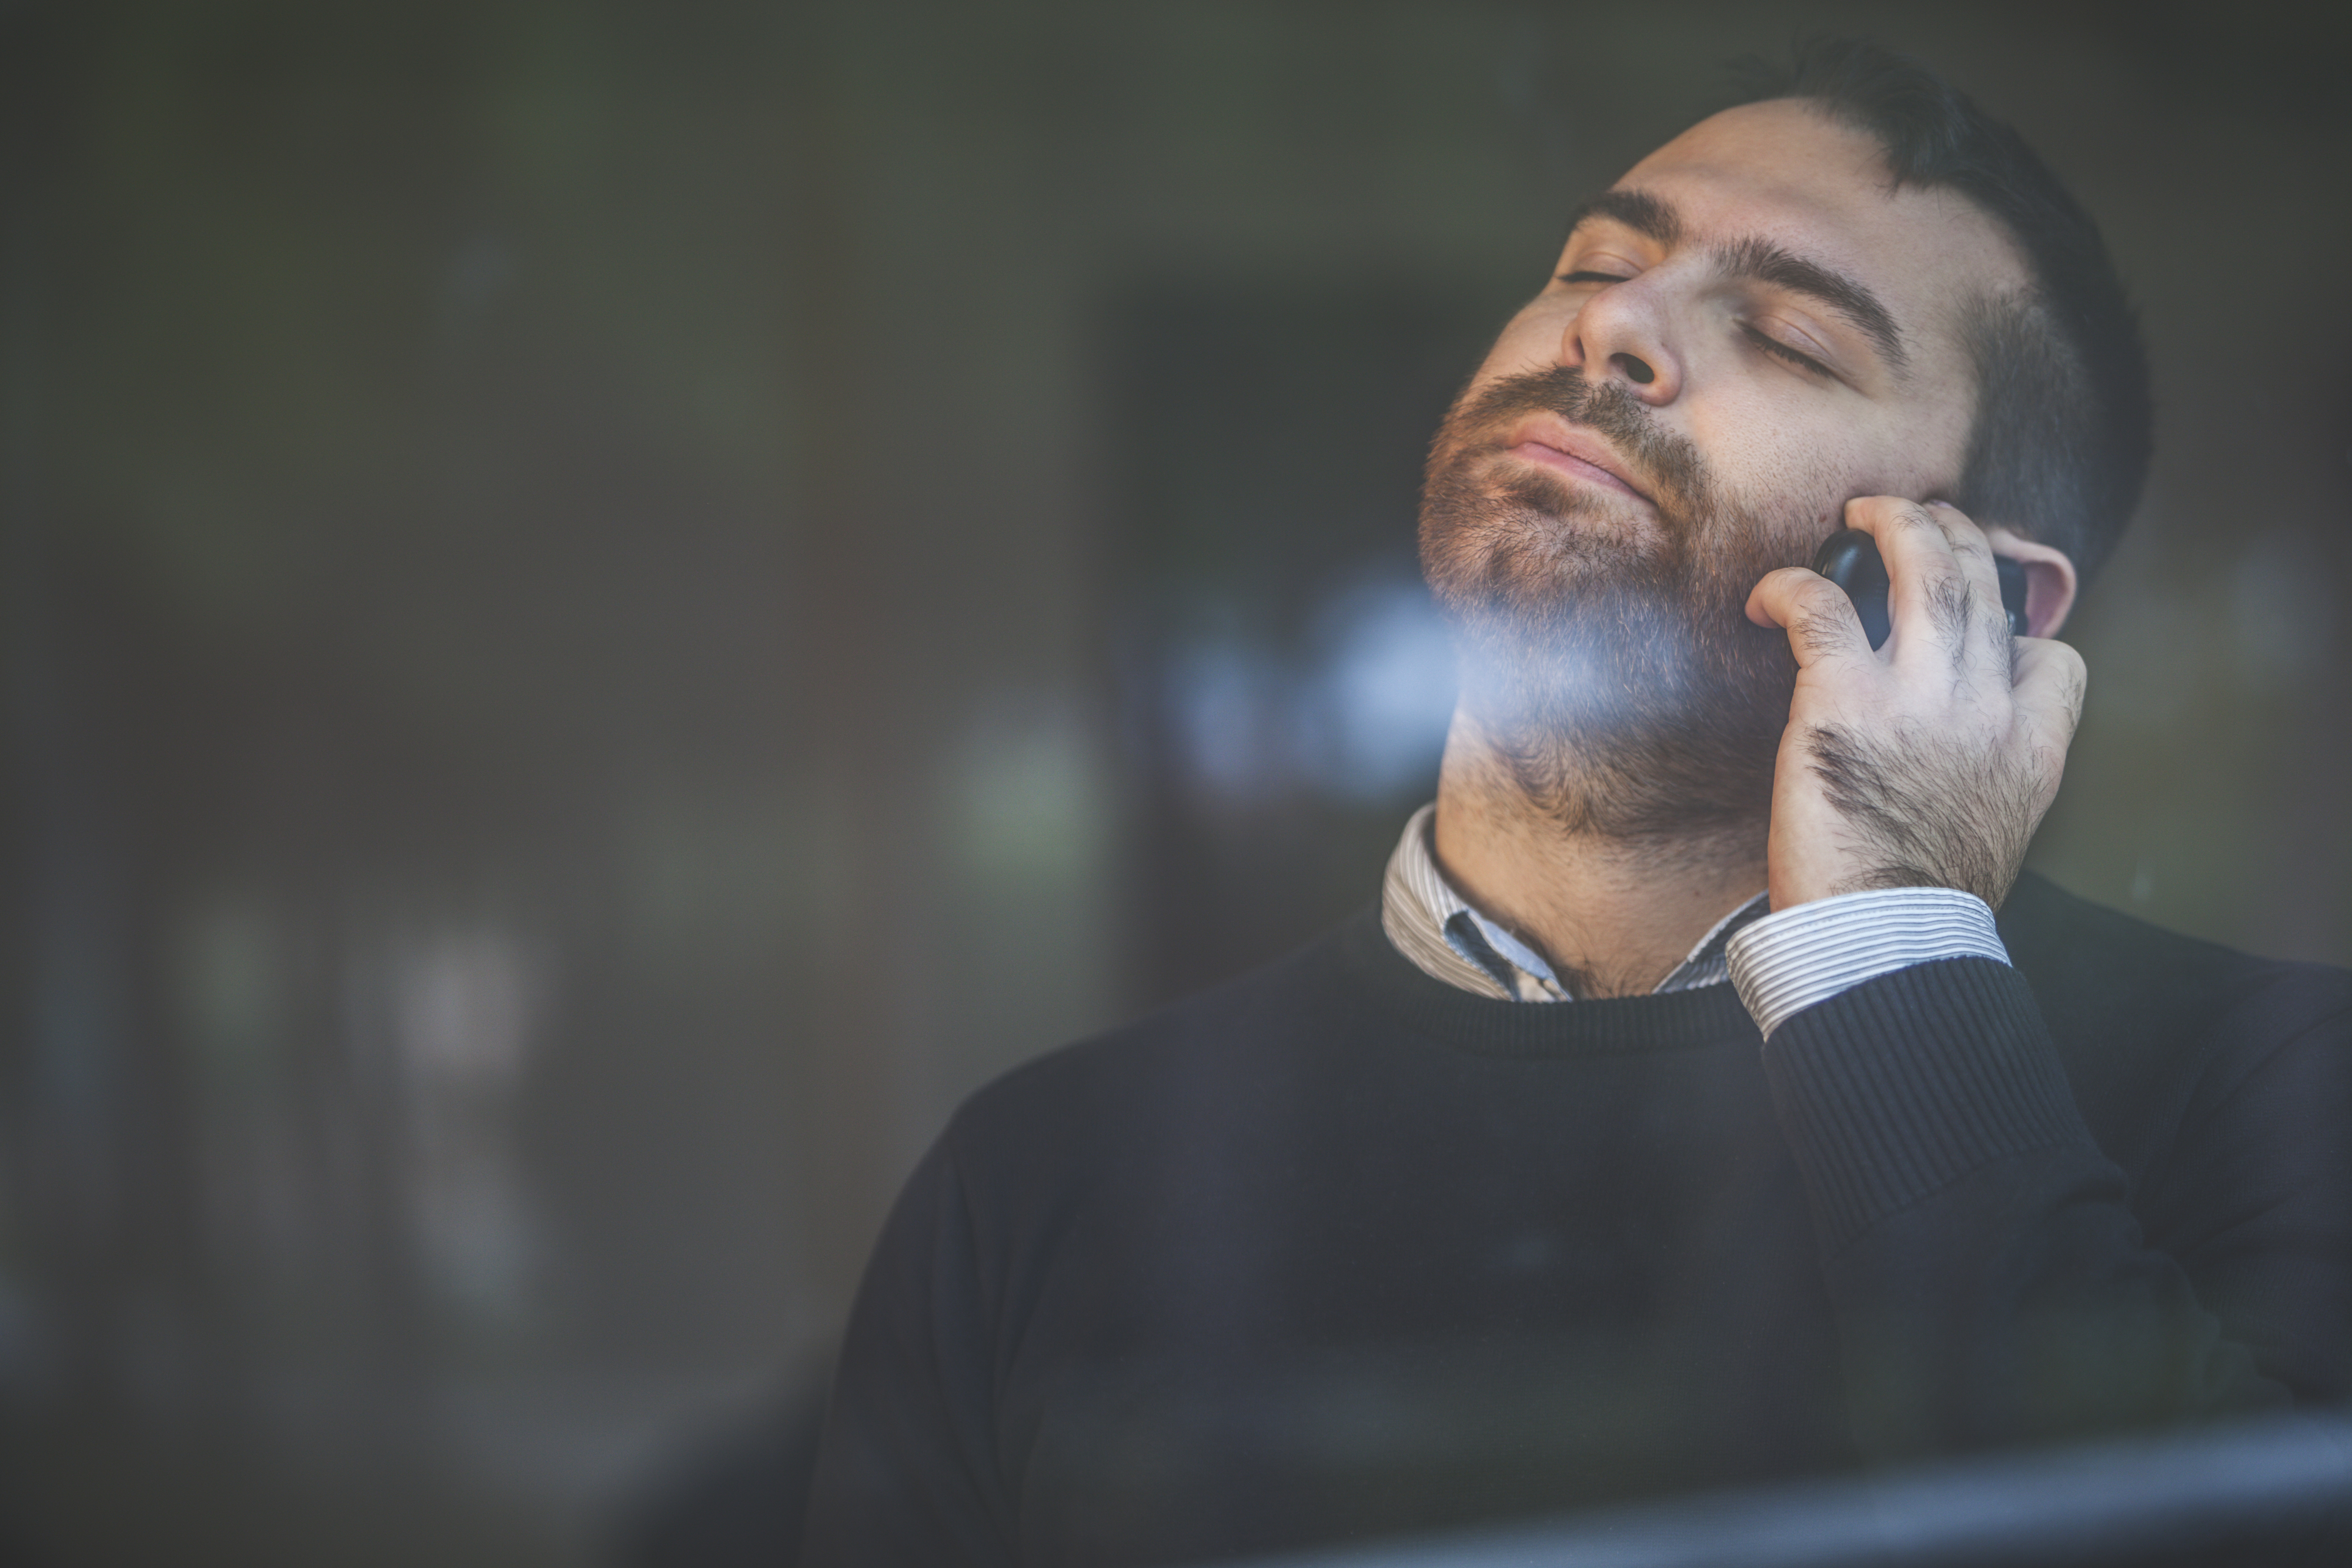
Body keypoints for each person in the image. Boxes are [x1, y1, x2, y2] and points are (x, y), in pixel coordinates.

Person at [800, 38, 2352, 1567]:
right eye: (1599, 260)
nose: (1612, 324)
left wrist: (1892, 950)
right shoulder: (1033, 1178)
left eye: (1793, 339)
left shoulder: (2281, 1095)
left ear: (1979, 598)